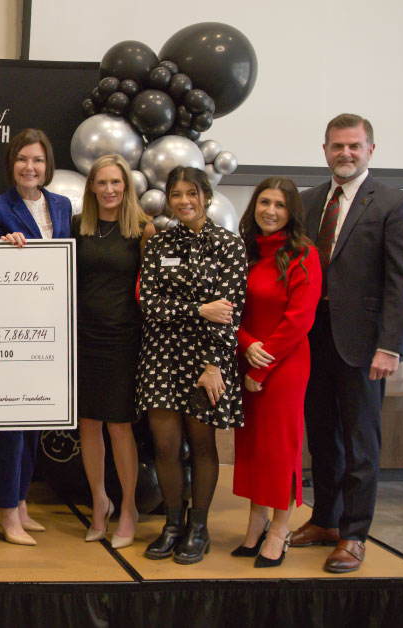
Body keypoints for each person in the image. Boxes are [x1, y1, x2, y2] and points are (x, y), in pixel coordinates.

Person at [292, 114, 403, 573]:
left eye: (354, 146)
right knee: (322, 436)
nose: (345, 153)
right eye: (337, 146)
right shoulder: (306, 202)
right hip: (312, 340)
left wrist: (391, 345)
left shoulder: (394, 203)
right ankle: (325, 519)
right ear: (324, 150)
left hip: (364, 346)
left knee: (361, 440)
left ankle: (355, 533)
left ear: (370, 151)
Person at [137, 166, 246, 565]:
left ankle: (198, 528)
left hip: (207, 361)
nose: (184, 201)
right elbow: (150, 305)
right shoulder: (160, 244)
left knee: (201, 445)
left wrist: (214, 365)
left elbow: (230, 313)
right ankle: (171, 524)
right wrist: (199, 308)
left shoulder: (229, 245)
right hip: (161, 356)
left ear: (206, 196)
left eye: (191, 193)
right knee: (165, 445)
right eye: (177, 194)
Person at [0, 129, 73, 545]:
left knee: (33, 422)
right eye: (22, 159)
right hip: (10, 329)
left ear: (47, 164)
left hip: (49, 328)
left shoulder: (62, 205)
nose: (29, 167)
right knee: (8, 426)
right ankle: (3, 510)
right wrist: (4, 246)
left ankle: (20, 503)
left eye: (36, 159)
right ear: (11, 164)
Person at [232, 177, 321, 568]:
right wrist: (246, 344)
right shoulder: (246, 251)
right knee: (253, 448)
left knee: (280, 449)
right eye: (264, 202)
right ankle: (256, 521)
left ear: (291, 212)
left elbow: (299, 320)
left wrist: (262, 366)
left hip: (283, 365)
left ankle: (281, 528)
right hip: (247, 356)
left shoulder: (303, 254)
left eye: (280, 205)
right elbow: (232, 308)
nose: (270, 211)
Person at [70, 154, 154, 549]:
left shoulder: (142, 230)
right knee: (88, 423)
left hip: (123, 339)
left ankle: (129, 507)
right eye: (101, 183)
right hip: (83, 338)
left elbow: (151, 292)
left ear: (127, 186)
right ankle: (99, 502)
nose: (108, 190)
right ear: (91, 188)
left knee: (119, 425)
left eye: (115, 183)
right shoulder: (78, 227)